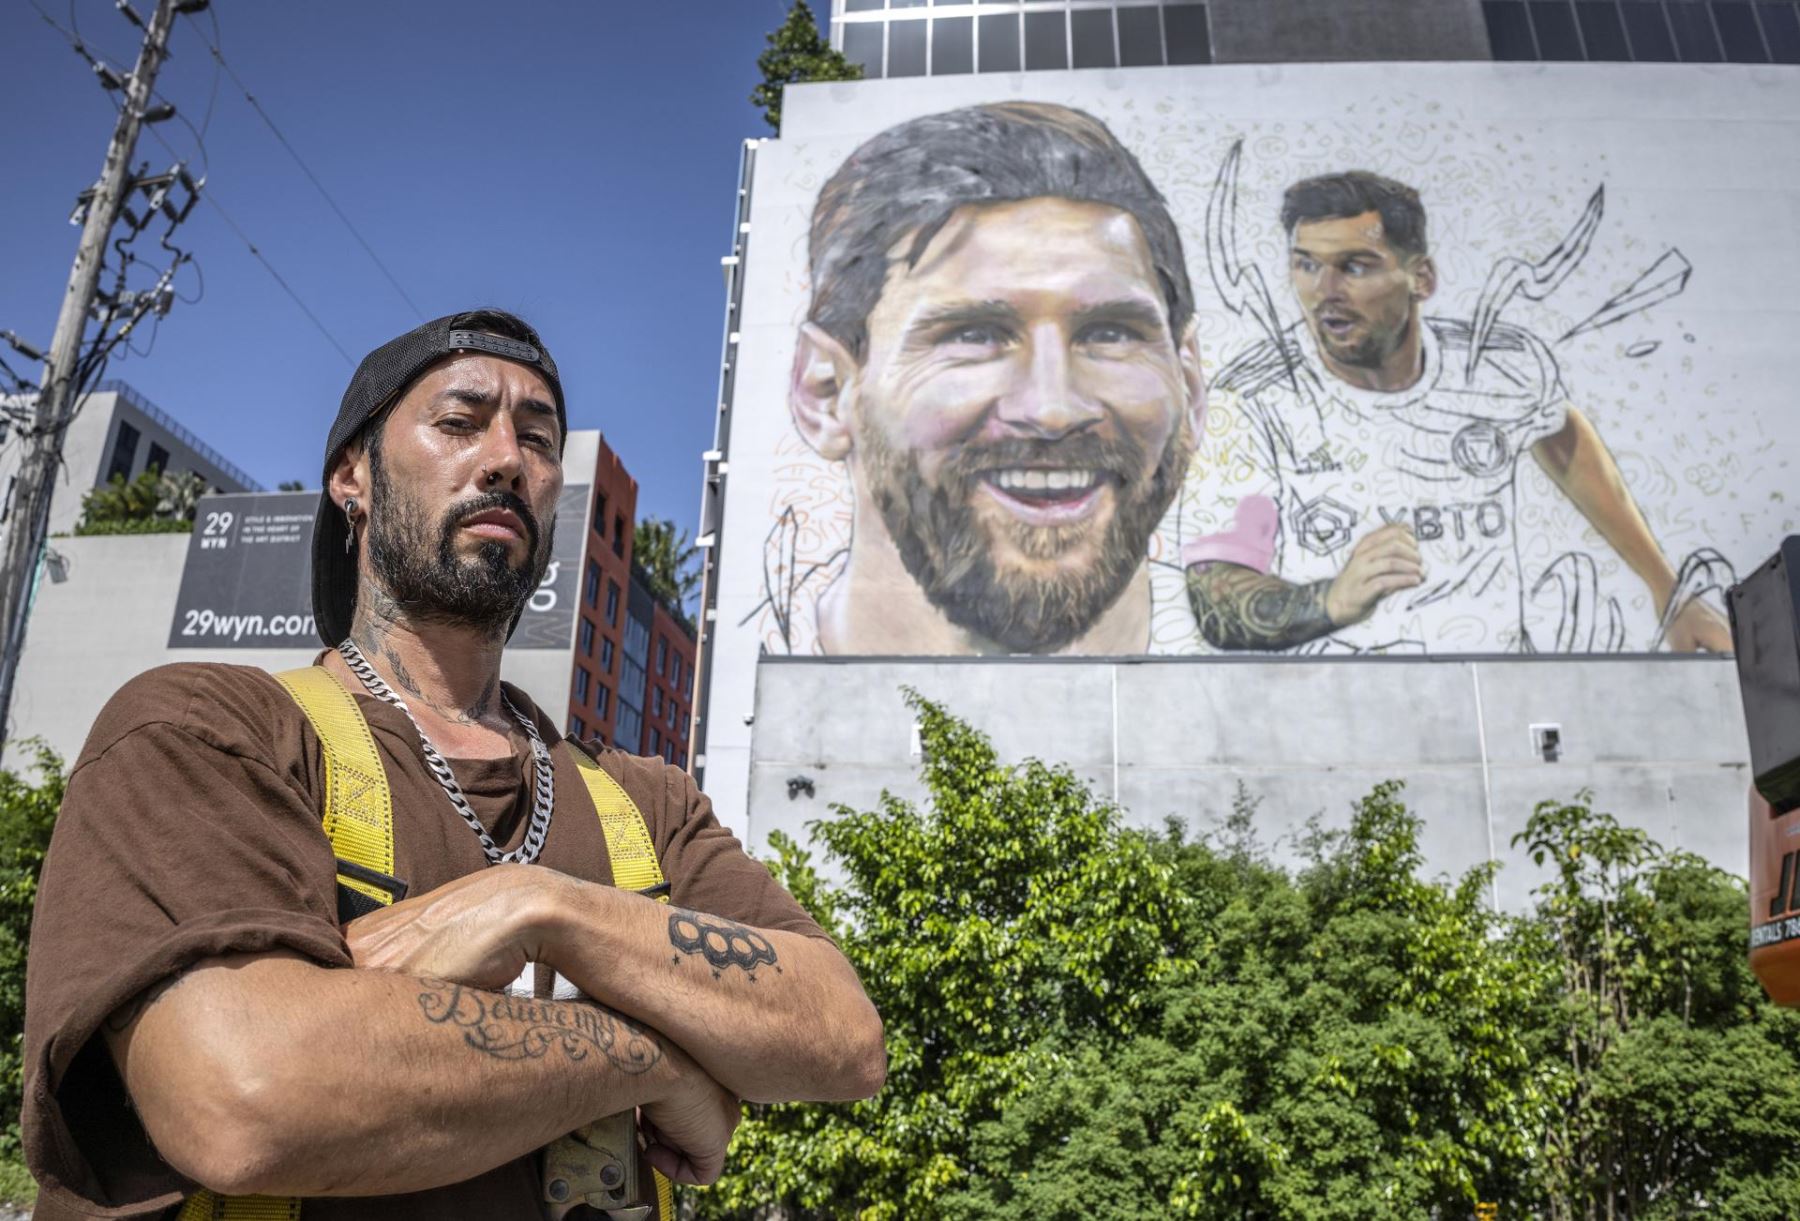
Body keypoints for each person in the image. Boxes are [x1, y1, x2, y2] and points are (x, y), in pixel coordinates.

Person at [21, 310, 886, 1219]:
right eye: (461, 422)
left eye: (539, 438)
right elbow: (246, 1099)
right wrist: (655, 1056)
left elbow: (840, 1032)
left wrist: (543, 904)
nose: (508, 458)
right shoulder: (211, 731)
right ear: (352, 474)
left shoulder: (645, 802)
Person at [1188, 170, 1731, 653]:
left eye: (1354, 266)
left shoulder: (1501, 367)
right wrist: (1332, 600)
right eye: (1305, 265)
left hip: (1499, 708)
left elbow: (1563, 439)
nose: (1323, 291)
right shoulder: (1253, 400)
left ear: (1421, 279)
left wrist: (1667, 589)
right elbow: (1215, 592)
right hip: (1338, 719)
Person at [787, 102, 1206, 655]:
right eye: (973, 335)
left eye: (1110, 334)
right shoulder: (741, 702)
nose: (1053, 411)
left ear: (1192, 389)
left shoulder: (1276, 706)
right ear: (826, 393)